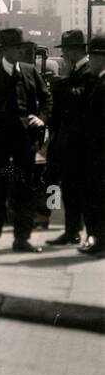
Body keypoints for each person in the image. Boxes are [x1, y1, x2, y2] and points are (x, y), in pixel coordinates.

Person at [0, 27, 51, 254]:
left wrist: (40, 118)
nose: (18, 52)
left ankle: (21, 239)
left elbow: (47, 99)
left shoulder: (30, 73)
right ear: (4, 50)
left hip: (24, 146)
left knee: (24, 192)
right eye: (14, 48)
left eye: (21, 48)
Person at [45, 30, 93, 246]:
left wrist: (61, 87)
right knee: (71, 189)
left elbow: (77, 101)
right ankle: (72, 231)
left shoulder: (88, 72)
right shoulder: (76, 71)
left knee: (83, 191)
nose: (63, 54)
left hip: (82, 145)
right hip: (71, 143)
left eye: (65, 50)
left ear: (75, 50)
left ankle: (86, 233)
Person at [78, 34, 105, 257]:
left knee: (98, 198)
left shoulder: (103, 86)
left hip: (100, 155)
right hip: (96, 153)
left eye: (93, 57)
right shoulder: (100, 83)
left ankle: (101, 242)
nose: (91, 62)